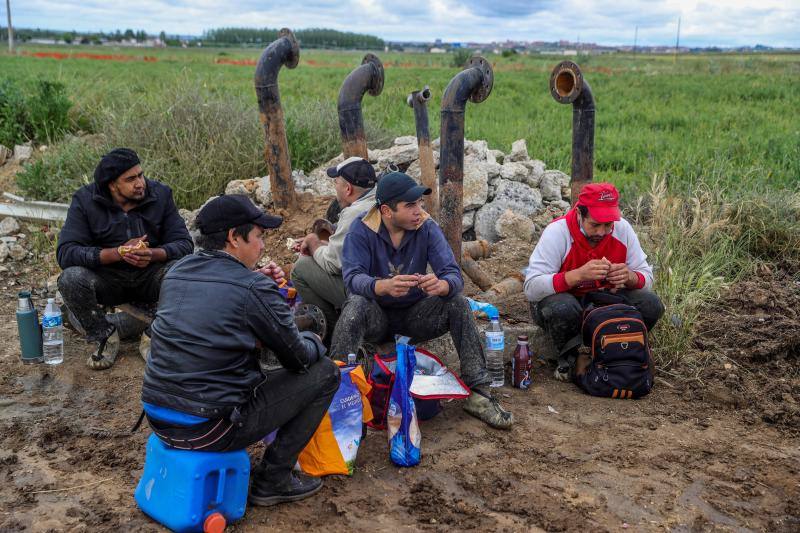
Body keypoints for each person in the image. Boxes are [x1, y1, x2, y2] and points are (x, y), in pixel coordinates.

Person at [141, 194, 339, 507]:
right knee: (325, 372)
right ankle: (273, 479)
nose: (262, 246)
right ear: (234, 237)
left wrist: (255, 287)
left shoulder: (176, 272)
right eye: (259, 237)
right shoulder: (252, 288)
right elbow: (298, 358)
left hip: (159, 418)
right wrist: (315, 339)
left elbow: (217, 305)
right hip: (207, 430)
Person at [330, 171, 513, 430]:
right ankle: (333, 393)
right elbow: (352, 279)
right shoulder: (361, 229)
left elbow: (453, 274)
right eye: (411, 205)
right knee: (355, 305)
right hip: (377, 318)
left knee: (458, 302)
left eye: (420, 204)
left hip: (415, 316)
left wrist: (442, 285)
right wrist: (381, 286)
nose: (419, 210)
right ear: (386, 211)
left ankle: (479, 393)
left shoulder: (426, 227)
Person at [56, 148, 193, 370]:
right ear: (112, 184)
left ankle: (154, 337)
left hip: (151, 276)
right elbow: (66, 253)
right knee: (70, 278)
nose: (140, 183)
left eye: (140, 175)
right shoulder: (85, 200)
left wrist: (153, 254)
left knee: (185, 270)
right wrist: (116, 253)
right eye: (131, 179)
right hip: (108, 280)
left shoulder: (161, 195)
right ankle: (104, 336)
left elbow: (185, 244)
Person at [524, 182, 664, 380]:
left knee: (651, 304)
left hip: (602, 302)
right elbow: (531, 288)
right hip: (565, 304)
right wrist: (578, 275)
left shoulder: (623, 229)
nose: (602, 232)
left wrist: (629, 277)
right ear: (579, 214)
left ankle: (619, 349)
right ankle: (569, 359)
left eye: (608, 225)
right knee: (562, 307)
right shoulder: (558, 232)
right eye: (595, 224)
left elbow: (647, 278)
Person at [290, 157, 378, 337]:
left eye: (336, 183)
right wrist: (324, 244)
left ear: (348, 189)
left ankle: (334, 330)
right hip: (384, 283)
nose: (335, 188)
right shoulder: (381, 200)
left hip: (367, 294)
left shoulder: (354, 212)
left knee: (300, 268)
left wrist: (314, 242)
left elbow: (333, 264)